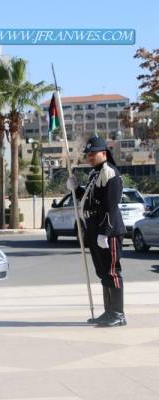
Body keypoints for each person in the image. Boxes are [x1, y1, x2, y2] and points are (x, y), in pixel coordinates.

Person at [67, 136, 126, 327]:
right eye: (88, 155)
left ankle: (118, 314)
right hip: (94, 229)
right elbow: (90, 200)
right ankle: (109, 312)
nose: (90, 157)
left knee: (112, 272)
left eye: (93, 154)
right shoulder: (95, 174)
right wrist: (76, 189)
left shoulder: (110, 173)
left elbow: (111, 206)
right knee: (102, 272)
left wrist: (105, 232)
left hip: (108, 231)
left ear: (104, 153)